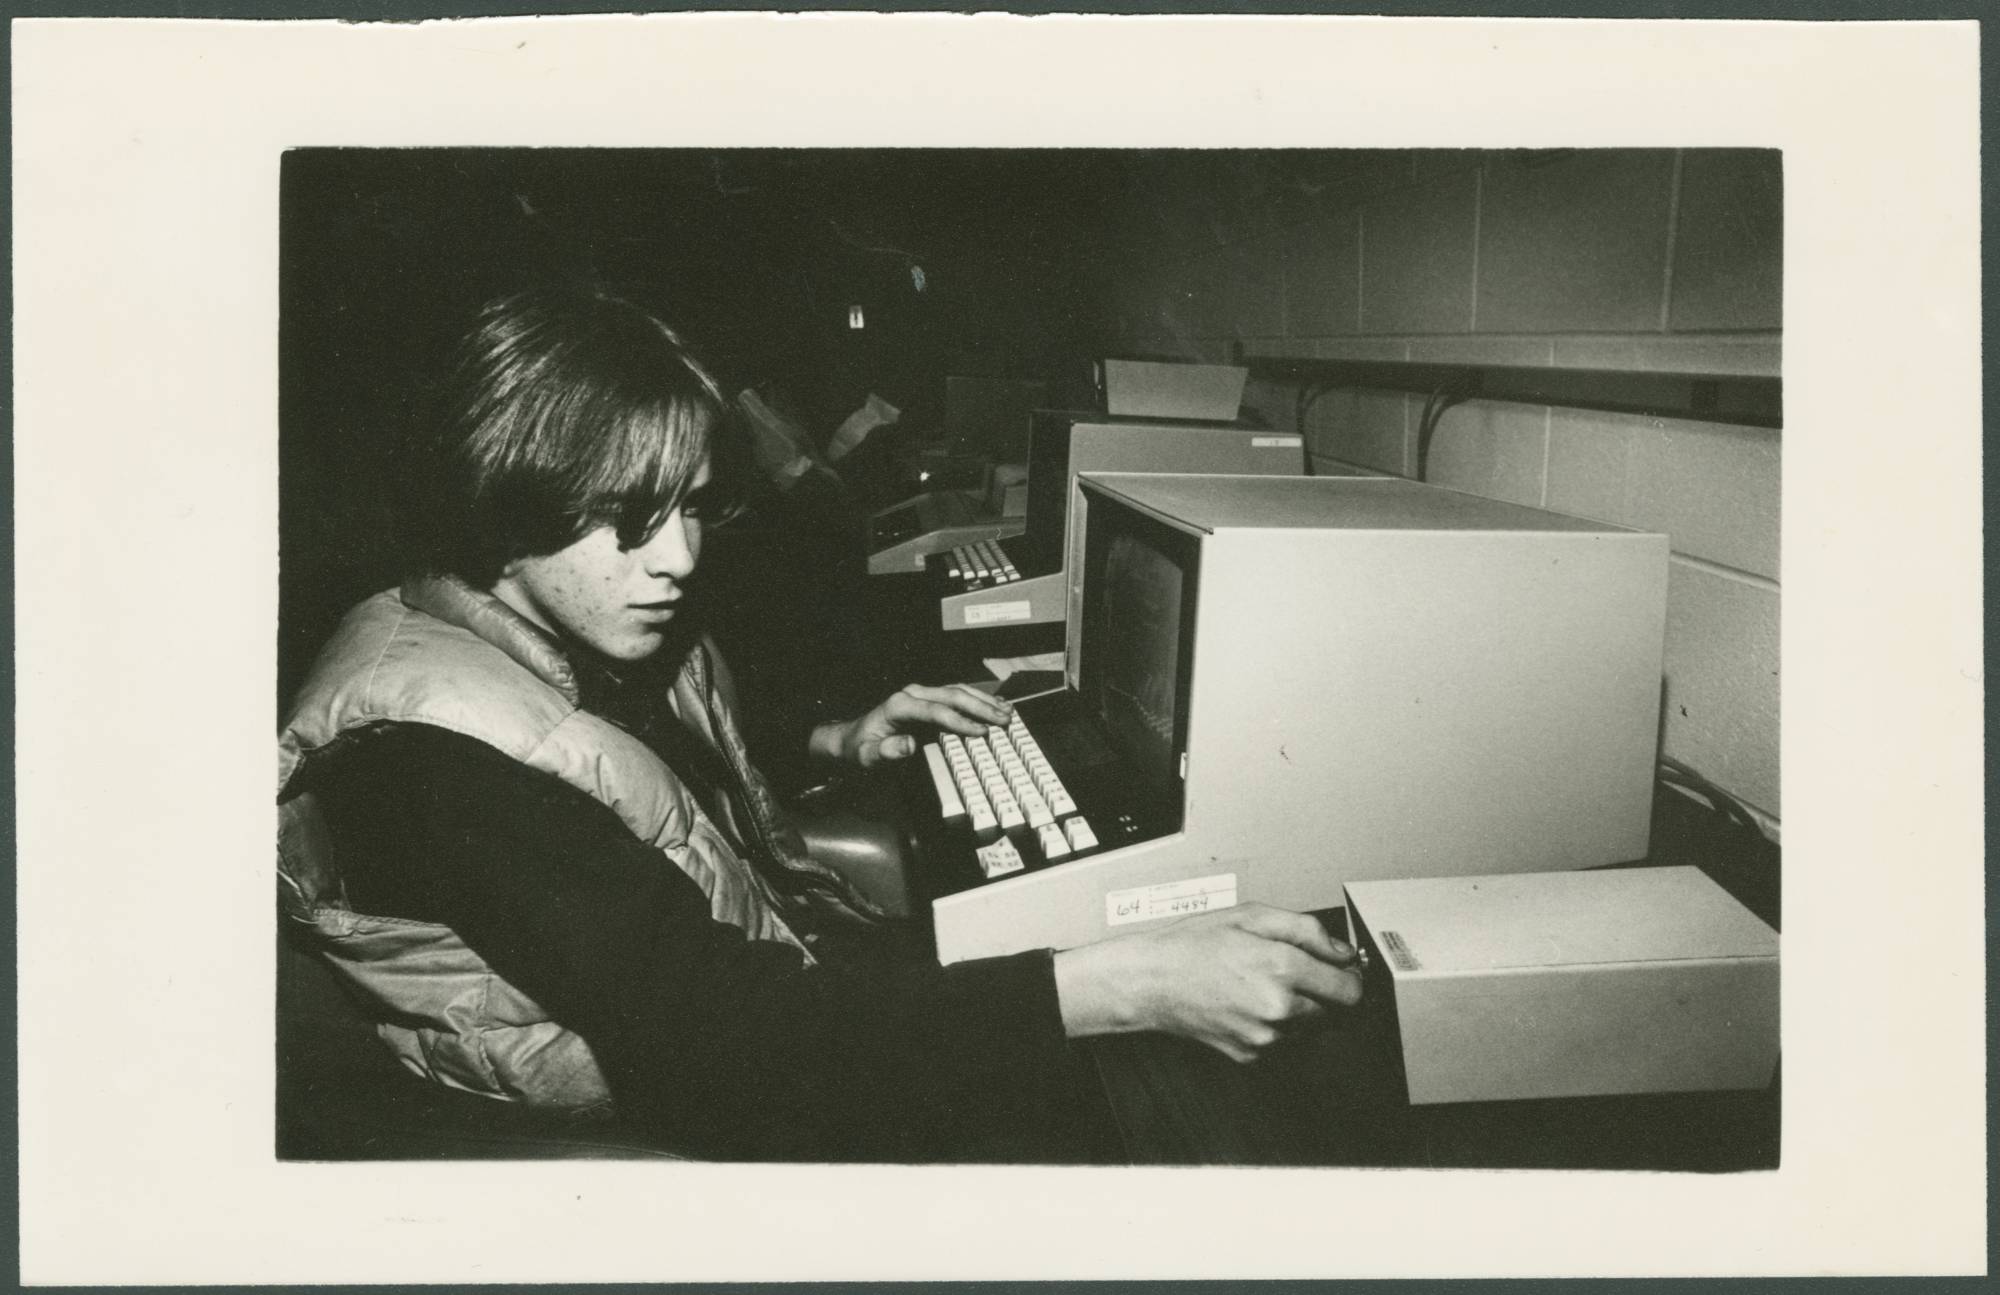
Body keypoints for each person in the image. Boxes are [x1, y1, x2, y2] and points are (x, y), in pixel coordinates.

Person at [276, 284, 1363, 1162]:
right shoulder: (429, 758)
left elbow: (637, 781)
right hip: (639, 1115)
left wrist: (833, 741)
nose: (680, 558)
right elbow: (731, 1042)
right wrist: (1128, 983)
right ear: (501, 503)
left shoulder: (539, 618)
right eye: (629, 517)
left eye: (693, 505)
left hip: (760, 1001)